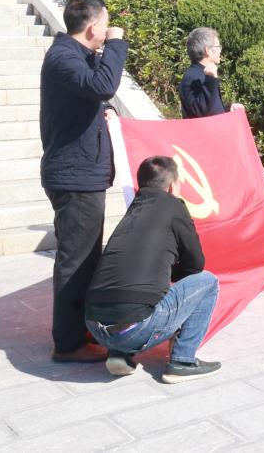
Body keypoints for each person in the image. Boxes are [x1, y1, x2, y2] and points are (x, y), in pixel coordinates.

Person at [40, 0, 128, 362]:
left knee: (87, 257)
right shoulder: (63, 57)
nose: (109, 31)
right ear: (93, 27)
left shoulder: (75, 56)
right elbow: (102, 86)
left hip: (83, 172)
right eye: (106, 25)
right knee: (76, 260)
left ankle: (82, 330)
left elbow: (92, 94)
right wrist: (117, 45)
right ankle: (68, 343)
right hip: (73, 175)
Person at [85, 156, 221, 383]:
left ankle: (119, 353)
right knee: (207, 282)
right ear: (173, 186)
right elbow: (196, 264)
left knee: (131, 289)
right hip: (135, 327)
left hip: (95, 326)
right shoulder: (174, 206)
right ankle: (182, 361)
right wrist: (171, 275)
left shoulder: (133, 210)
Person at [179, 27, 244, 119]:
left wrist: (227, 108)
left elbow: (210, 107)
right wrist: (210, 80)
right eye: (218, 47)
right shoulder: (192, 77)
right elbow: (198, 112)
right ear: (208, 51)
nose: (220, 51)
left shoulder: (203, 73)